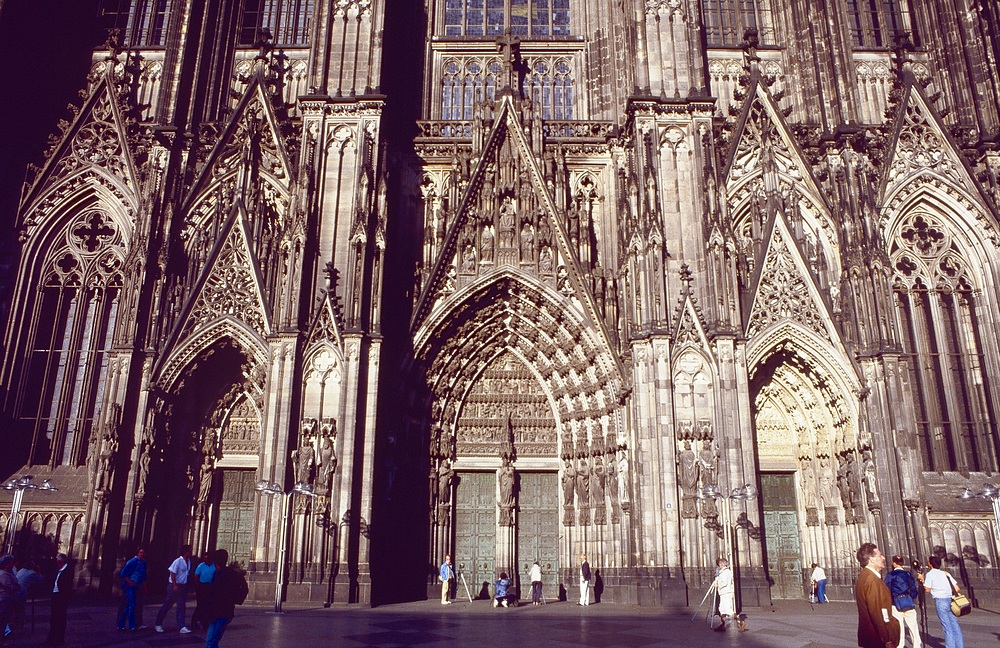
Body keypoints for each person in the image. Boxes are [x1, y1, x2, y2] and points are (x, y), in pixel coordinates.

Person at [854, 542, 900, 648]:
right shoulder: (871, 580)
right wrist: (887, 639)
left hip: (871, 636)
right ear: (872, 559)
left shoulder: (865, 576)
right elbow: (879, 611)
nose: (883, 558)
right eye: (880, 555)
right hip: (877, 639)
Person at [203, 549, 248, 648]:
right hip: (227, 611)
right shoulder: (232, 573)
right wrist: (237, 600)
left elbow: (215, 595)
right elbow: (244, 588)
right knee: (212, 640)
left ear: (215, 561)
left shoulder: (219, 574)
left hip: (218, 613)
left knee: (211, 642)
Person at [921, 555, 964, 648]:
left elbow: (927, 589)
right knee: (955, 626)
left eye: (928, 562)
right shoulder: (946, 573)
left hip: (940, 601)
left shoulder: (930, 574)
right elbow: (957, 588)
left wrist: (922, 580)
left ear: (931, 564)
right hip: (951, 601)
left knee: (947, 627)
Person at [884, 555, 921, 648]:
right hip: (908, 602)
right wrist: (912, 596)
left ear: (894, 563)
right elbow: (913, 588)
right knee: (913, 626)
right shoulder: (908, 574)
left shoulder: (891, 575)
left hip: (895, 604)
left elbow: (886, 590)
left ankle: (900, 645)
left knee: (899, 627)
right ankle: (917, 645)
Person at [155, 544, 192, 634]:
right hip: (174, 586)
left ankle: (181, 626)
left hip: (183, 586)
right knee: (167, 605)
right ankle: (158, 624)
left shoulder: (189, 561)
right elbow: (172, 572)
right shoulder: (178, 561)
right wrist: (175, 585)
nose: (191, 552)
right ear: (186, 552)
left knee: (181, 606)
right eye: (190, 551)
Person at [43, 553, 73, 647]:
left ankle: (59, 639)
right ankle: (51, 638)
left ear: (60, 562)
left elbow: (67, 586)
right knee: (53, 618)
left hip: (62, 598)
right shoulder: (58, 569)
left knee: (60, 618)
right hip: (55, 596)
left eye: (57, 561)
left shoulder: (68, 570)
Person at [117, 547, 147, 632]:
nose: (142, 554)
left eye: (143, 553)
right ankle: (132, 626)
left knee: (129, 606)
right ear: (137, 553)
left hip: (138, 585)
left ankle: (121, 624)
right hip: (130, 586)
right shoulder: (132, 561)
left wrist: (145, 587)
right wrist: (129, 581)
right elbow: (123, 574)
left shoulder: (144, 562)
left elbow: (144, 576)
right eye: (140, 552)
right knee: (132, 605)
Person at [191, 552, 216, 630]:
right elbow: (196, 576)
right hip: (202, 587)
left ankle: (205, 622)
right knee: (200, 605)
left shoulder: (214, 566)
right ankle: (194, 621)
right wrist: (197, 586)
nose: (206, 560)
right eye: (205, 559)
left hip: (210, 587)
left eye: (207, 559)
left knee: (208, 605)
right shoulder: (201, 565)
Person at [0, 556, 18, 640]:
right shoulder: (3, 574)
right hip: (3, 598)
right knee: (2, 618)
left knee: (4, 619)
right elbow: (9, 586)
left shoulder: (10, 572)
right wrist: (15, 587)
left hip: (8, 599)